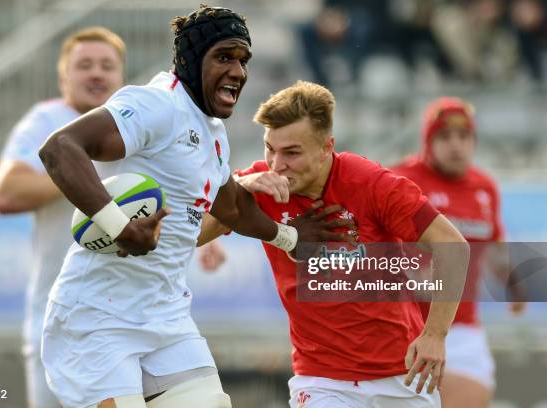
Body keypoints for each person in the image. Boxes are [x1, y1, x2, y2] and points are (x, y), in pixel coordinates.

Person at [38, 6, 347, 408]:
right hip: (96, 319)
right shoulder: (156, 105)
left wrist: (290, 237)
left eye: (243, 60)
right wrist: (119, 226)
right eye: (224, 57)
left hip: (164, 318)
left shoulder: (214, 133)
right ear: (190, 60)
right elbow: (60, 149)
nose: (237, 71)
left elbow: (232, 207)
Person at [198, 81, 470, 408]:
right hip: (322, 380)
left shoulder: (372, 184)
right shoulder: (260, 185)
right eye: (270, 148)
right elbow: (193, 233)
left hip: (402, 375)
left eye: (292, 152)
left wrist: (435, 335)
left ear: (327, 147)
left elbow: (452, 245)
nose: (276, 164)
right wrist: (240, 188)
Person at [0, 26, 126, 408]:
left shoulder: (136, 126)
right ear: (63, 76)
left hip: (125, 318)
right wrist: (76, 171)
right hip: (57, 320)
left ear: (122, 77)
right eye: (84, 65)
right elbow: (7, 193)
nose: (96, 73)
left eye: (107, 65)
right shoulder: (47, 120)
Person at [391, 97, 525, 408]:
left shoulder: (484, 187)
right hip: (409, 325)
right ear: (428, 140)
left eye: (464, 137)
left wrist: (513, 282)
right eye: (444, 136)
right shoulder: (401, 180)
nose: (455, 145)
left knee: (474, 396)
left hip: (463, 326)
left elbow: (493, 242)